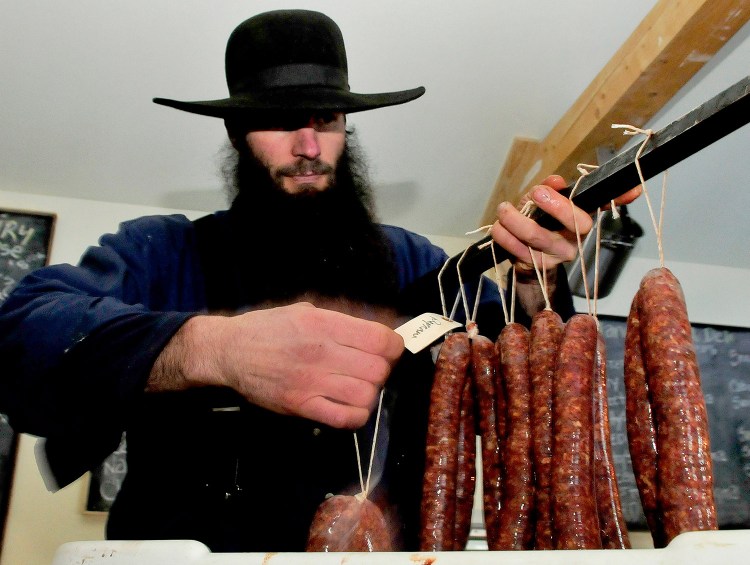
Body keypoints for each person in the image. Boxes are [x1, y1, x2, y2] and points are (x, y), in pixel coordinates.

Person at [0, 9, 637, 552]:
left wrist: (537, 279)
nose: (309, 144)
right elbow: (22, 337)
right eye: (282, 120)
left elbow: (522, 390)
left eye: (327, 119)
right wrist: (212, 350)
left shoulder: (418, 263)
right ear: (237, 133)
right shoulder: (163, 251)